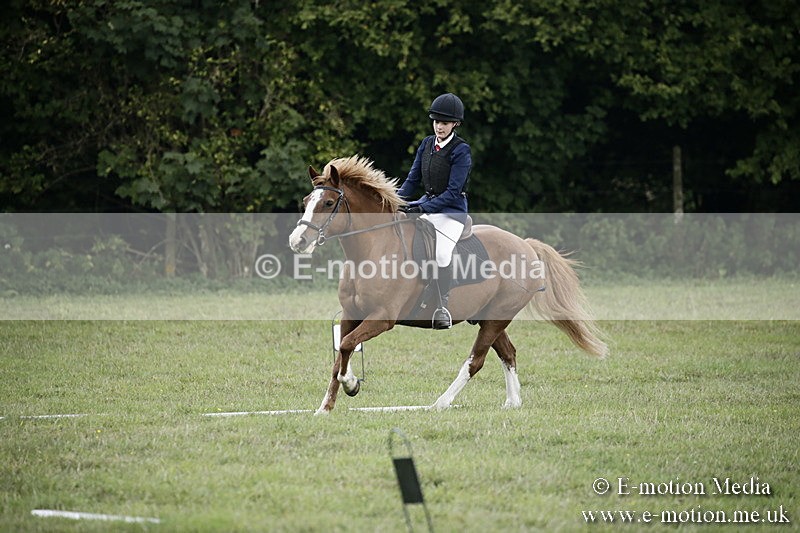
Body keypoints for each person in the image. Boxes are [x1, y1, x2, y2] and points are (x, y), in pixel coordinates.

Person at [398, 93, 472, 329]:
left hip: (452, 213)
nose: (439, 126)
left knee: (441, 254)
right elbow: (412, 180)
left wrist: (421, 207)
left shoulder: (461, 151)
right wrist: (394, 200)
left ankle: (442, 305)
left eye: (445, 123)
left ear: (455, 124)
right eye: (437, 122)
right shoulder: (427, 144)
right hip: (427, 205)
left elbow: (452, 192)